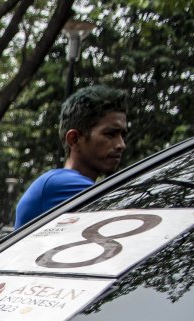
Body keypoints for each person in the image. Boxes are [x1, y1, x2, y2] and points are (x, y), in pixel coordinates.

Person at [14, 85, 128, 229]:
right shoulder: (60, 184)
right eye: (110, 134)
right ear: (74, 139)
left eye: (122, 135)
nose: (121, 144)